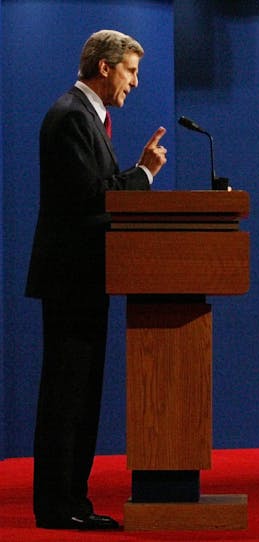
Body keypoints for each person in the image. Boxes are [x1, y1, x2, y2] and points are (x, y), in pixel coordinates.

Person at [25, 29, 167, 530]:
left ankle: (73, 504)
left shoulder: (90, 117)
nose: (135, 81)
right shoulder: (70, 116)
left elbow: (99, 192)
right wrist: (144, 175)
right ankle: (57, 507)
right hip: (70, 279)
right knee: (67, 396)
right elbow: (93, 198)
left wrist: (136, 175)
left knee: (81, 397)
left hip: (88, 278)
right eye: (130, 70)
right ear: (104, 68)